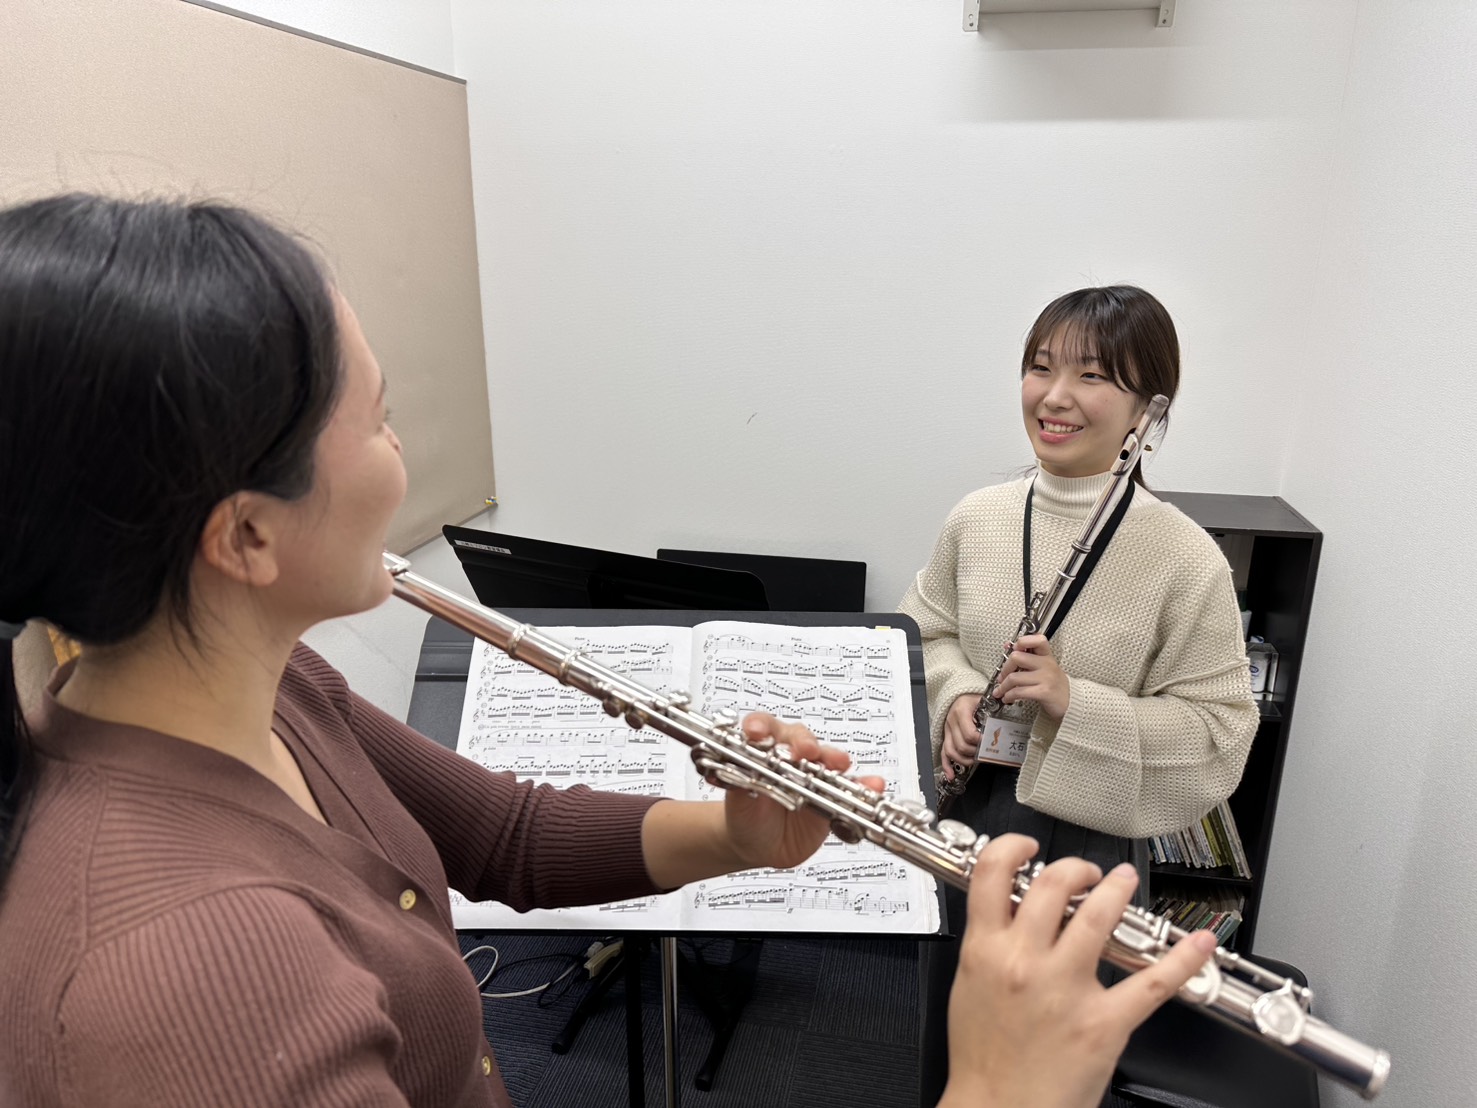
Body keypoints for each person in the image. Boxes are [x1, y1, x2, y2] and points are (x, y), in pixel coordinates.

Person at [0, 196, 1210, 1107]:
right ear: (247, 535)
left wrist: (738, 835)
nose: (401, 451)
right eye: (375, 417)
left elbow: (505, 835)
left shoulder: (272, 689)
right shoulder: (186, 971)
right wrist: (994, 1091)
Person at [900, 285, 1259, 1105]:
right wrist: (957, 696)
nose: (1054, 396)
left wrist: (1073, 701)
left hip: (1091, 848)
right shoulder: (978, 517)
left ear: (1147, 407)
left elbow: (1219, 732)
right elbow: (926, 631)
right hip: (970, 821)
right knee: (947, 1034)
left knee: (1051, 1070)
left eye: (1091, 376)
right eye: (1038, 367)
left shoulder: (1184, 556)